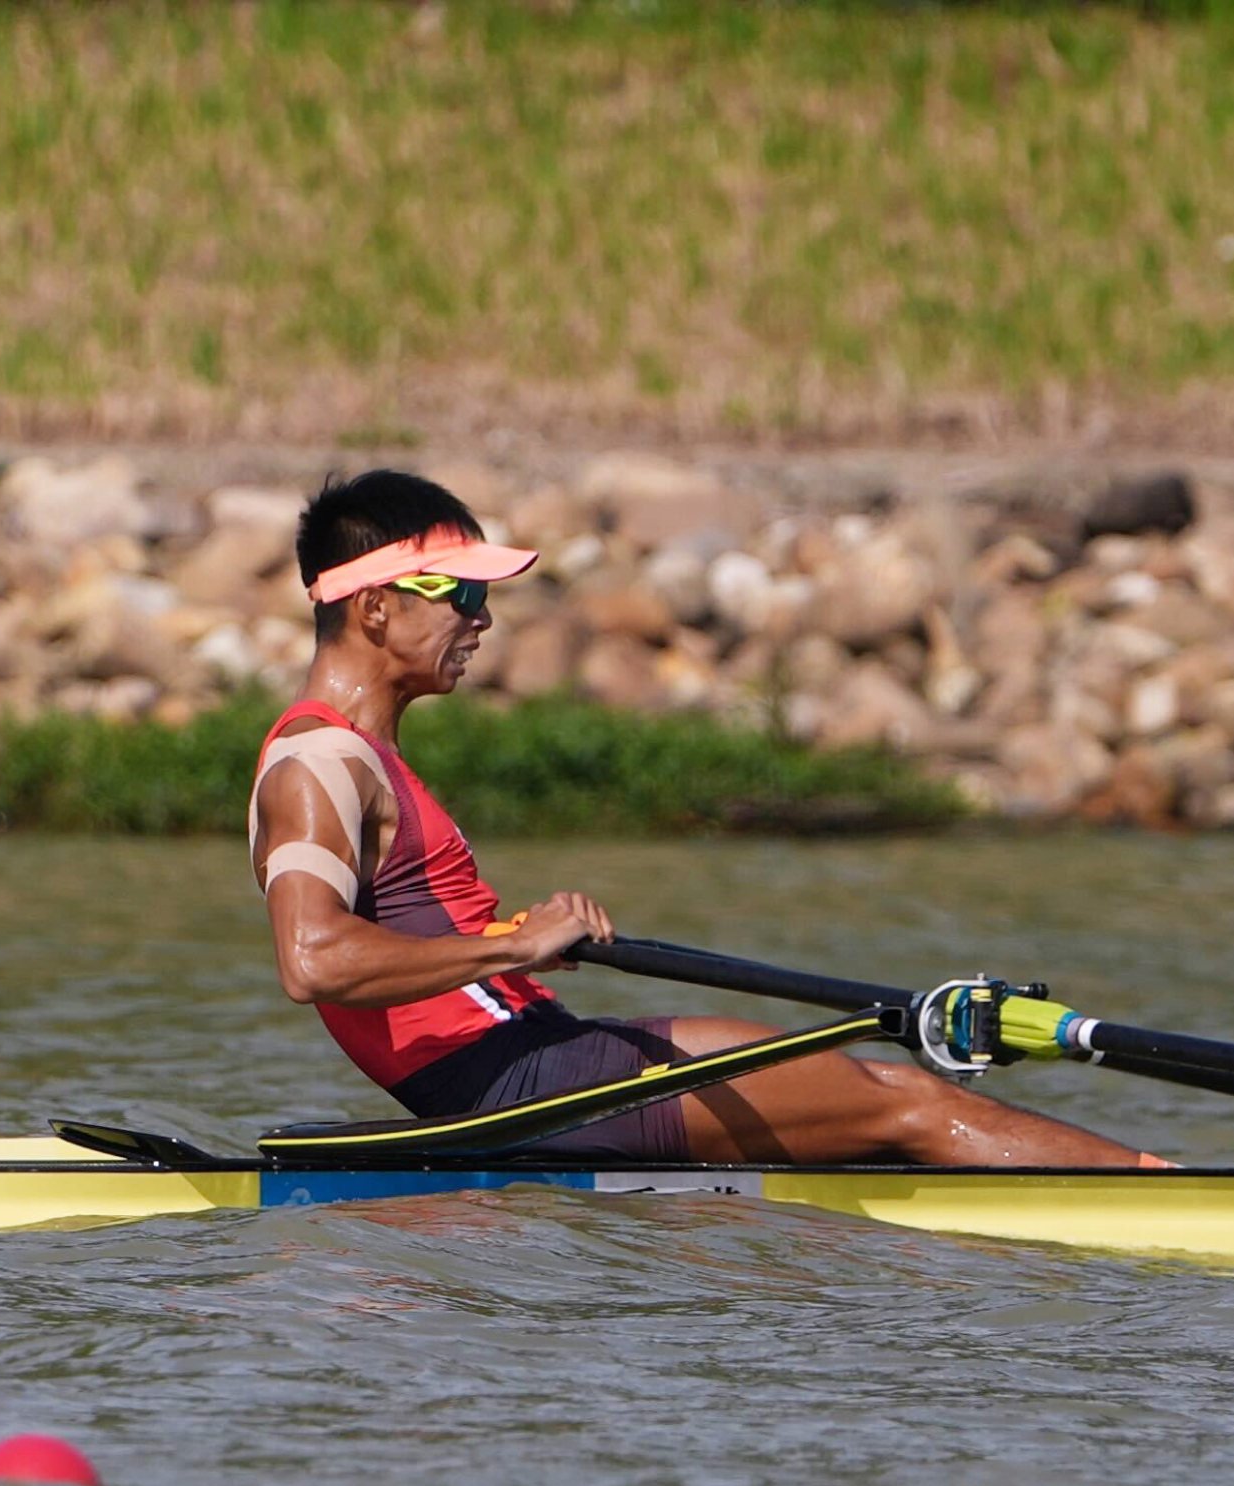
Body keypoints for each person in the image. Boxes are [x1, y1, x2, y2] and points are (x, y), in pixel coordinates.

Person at [246, 469, 1156, 1168]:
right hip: (511, 1087)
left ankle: (1147, 1178)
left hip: (537, 1045)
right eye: (464, 596)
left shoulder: (365, 757)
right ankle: (1185, 1193)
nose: (483, 621)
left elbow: (406, 932)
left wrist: (509, 935)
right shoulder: (317, 761)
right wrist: (508, 949)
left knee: (873, 1086)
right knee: (907, 1108)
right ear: (372, 607)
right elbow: (313, 961)